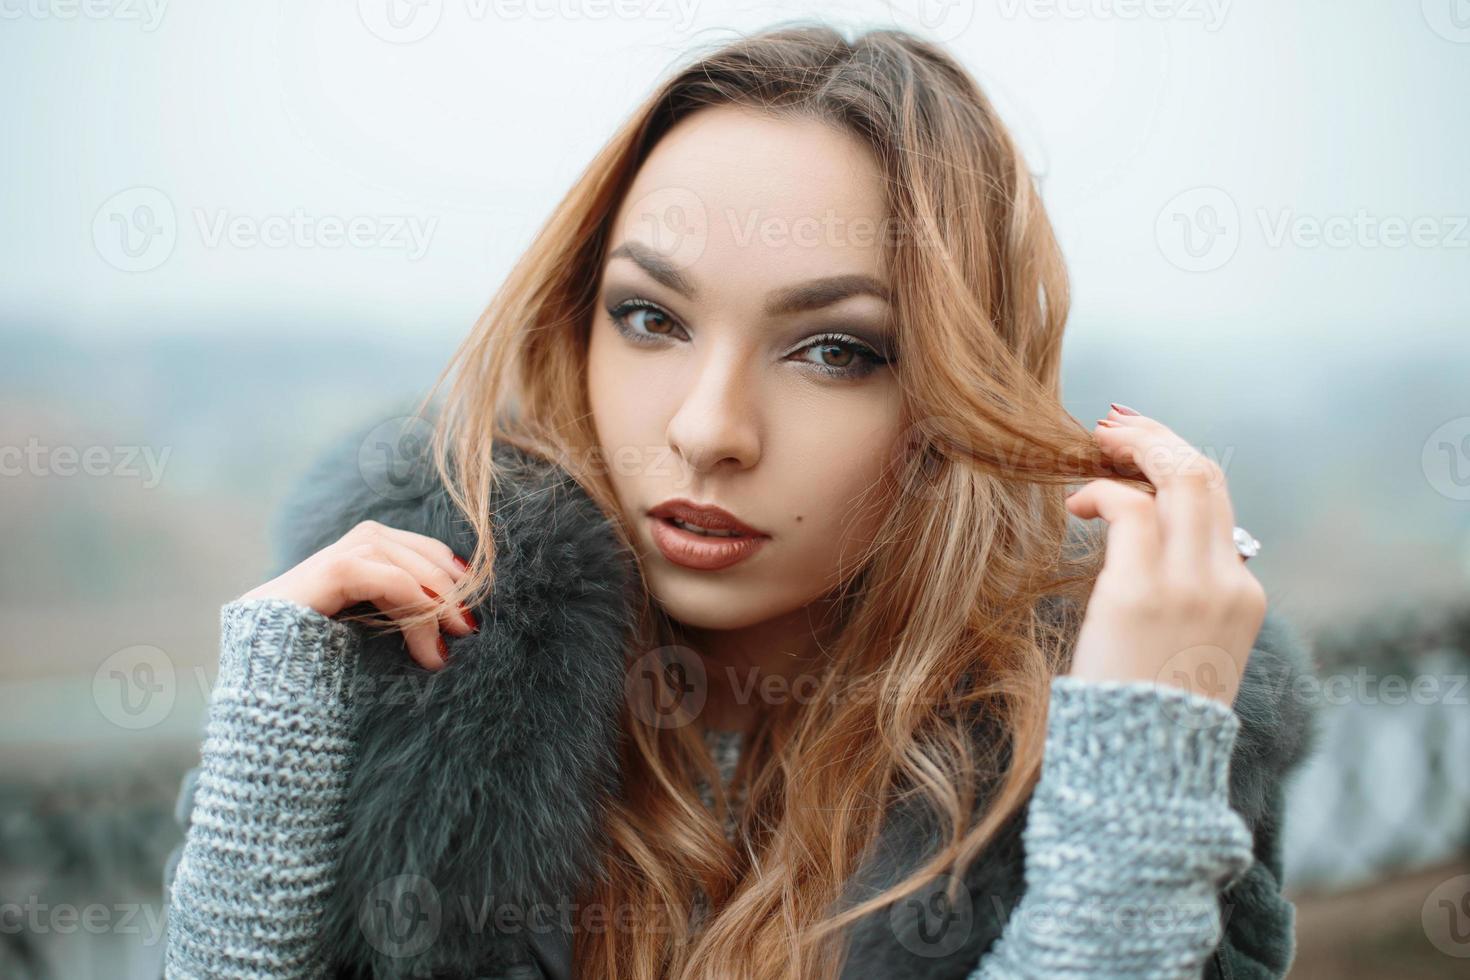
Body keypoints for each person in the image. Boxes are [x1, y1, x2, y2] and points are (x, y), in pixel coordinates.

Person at [162, 22, 1319, 980]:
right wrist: (277, 729)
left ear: (956, 396)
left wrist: (1143, 768)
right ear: (577, 323)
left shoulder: (1098, 740)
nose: (707, 428)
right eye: (652, 317)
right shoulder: (417, 656)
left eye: (835, 349)